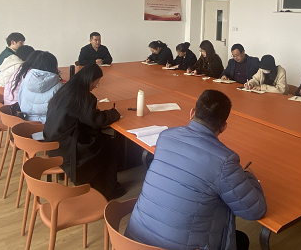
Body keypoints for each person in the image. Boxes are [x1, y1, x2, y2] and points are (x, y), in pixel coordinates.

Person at [125, 90, 267, 250]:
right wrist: (248, 175)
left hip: (131, 240)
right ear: (223, 127)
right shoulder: (225, 160)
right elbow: (255, 210)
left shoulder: (166, 136)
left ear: (192, 113)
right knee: (241, 240)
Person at [43, 64, 124, 200]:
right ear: (90, 80)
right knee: (112, 145)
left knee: (104, 141)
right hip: (69, 149)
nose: (96, 86)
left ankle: (103, 184)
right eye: (97, 83)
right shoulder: (83, 97)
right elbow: (96, 120)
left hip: (53, 143)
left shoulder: (65, 90)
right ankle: (107, 191)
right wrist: (113, 113)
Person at [17, 51, 62, 123]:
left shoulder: (25, 81)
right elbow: (60, 110)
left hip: (26, 125)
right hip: (49, 126)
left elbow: (20, 101)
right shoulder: (58, 86)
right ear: (54, 66)